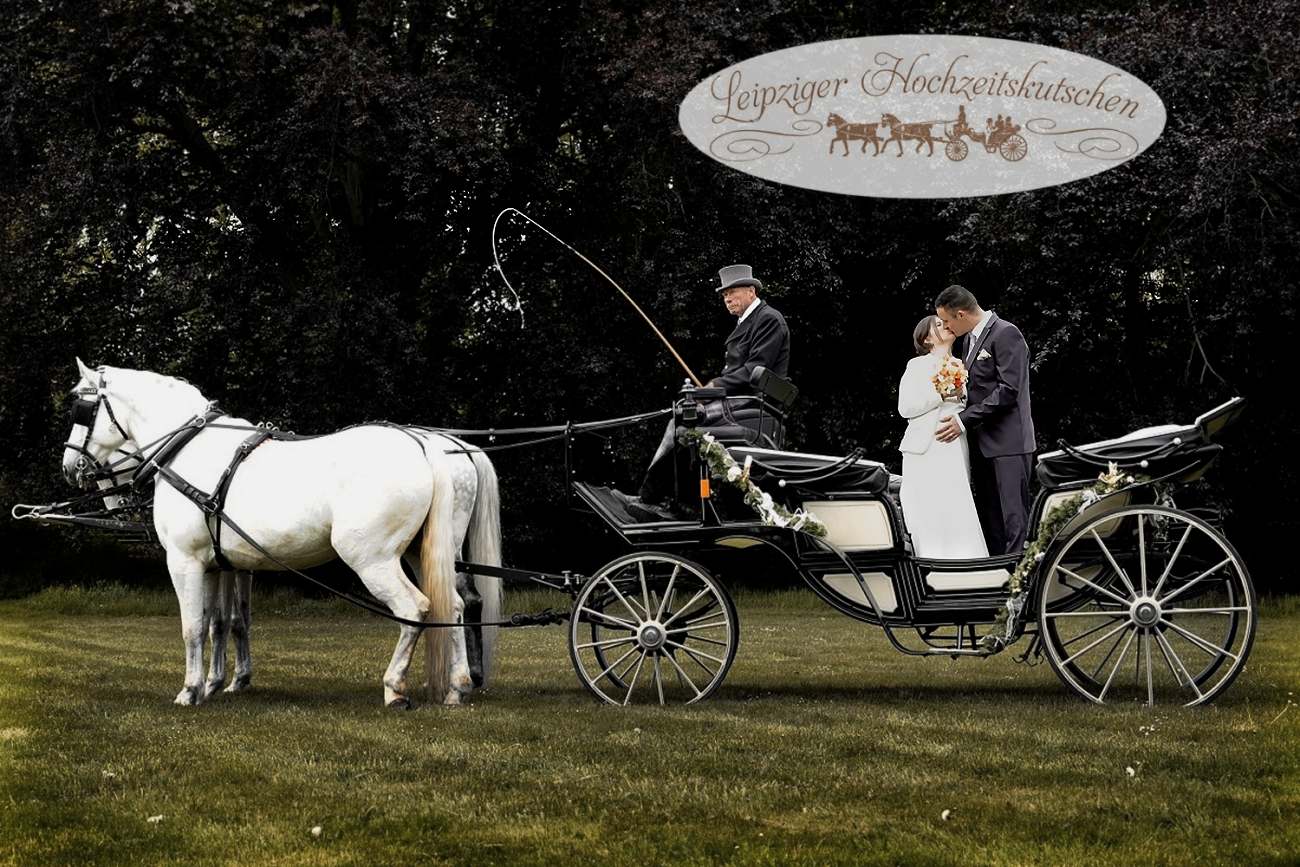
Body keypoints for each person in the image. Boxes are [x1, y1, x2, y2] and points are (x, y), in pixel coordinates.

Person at [616, 264, 791, 521]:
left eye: (732, 292)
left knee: (682, 421)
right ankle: (675, 502)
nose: (727, 299)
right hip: (740, 404)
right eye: (723, 295)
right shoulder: (749, 321)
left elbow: (755, 370)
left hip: (756, 408)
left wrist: (714, 387)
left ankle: (654, 499)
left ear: (751, 291)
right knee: (683, 417)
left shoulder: (768, 319)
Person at [933, 285, 1036, 554]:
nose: (945, 327)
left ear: (961, 314)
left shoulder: (1006, 333)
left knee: (1014, 520)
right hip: (982, 444)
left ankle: (1020, 585)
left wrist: (963, 419)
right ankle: (997, 579)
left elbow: (1009, 391)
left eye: (946, 321)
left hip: (1009, 444)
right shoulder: (969, 340)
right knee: (991, 519)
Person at [897, 315, 988, 559]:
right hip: (923, 448)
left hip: (952, 444)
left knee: (955, 502)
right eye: (938, 325)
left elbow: (964, 406)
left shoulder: (960, 364)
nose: (945, 325)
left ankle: (965, 562)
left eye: (945, 322)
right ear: (926, 338)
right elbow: (905, 408)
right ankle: (929, 560)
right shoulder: (916, 366)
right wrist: (941, 395)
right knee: (926, 506)